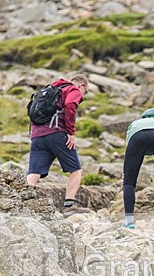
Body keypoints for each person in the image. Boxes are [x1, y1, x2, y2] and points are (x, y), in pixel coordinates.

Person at [25, 74, 90, 215]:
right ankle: (69, 206)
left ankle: (23, 202)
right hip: (56, 133)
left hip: (37, 136)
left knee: (34, 172)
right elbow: (70, 105)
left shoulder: (49, 90)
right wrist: (70, 132)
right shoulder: (72, 90)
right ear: (81, 85)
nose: (82, 96)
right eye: (85, 92)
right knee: (76, 170)